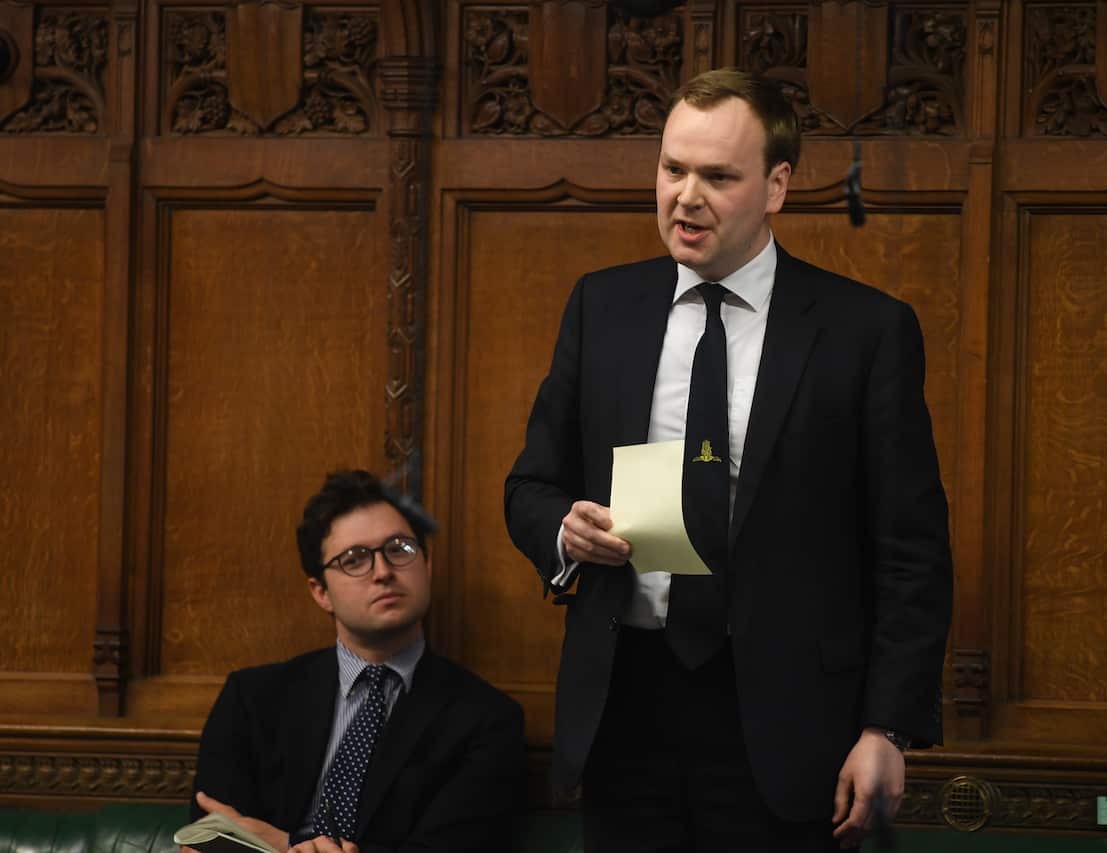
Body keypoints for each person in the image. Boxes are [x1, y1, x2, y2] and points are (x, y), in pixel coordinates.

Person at [504, 68, 952, 851]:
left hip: (790, 722)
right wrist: (564, 534)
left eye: (717, 176)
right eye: (672, 169)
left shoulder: (865, 332)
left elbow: (911, 551)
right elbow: (532, 486)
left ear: (776, 186)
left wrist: (889, 726)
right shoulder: (600, 307)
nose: (686, 196)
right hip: (626, 707)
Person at [189, 469, 525, 853]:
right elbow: (210, 839)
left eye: (399, 549)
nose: (383, 572)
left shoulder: (486, 720)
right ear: (321, 593)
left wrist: (286, 843)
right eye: (354, 559)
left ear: (427, 567)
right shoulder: (251, 700)